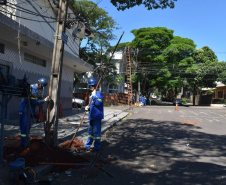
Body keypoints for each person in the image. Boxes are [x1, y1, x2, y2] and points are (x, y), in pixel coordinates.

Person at [18, 78, 49, 147]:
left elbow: (33, 99)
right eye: (42, 87)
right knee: (25, 126)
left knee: (27, 126)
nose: (42, 89)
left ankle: (26, 139)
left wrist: (39, 97)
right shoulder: (34, 90)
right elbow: (34, 102)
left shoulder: (33, 88)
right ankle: (23, 143)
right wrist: (43, 101)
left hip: (26, 110)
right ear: (40, 85)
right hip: (25, 110)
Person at [84, 78, 104, 151]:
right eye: (90, 86)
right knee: (90, 132)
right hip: (92, 116)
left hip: (97, 116)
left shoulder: (99, 94)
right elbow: (92, 105)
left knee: (96, 132)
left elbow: (98, 103)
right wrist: (88, 108)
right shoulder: (91, 94)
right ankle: (88, 145)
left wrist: (94, 96)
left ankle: (96, 146)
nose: (91, 87)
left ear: (95, 85)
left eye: (92, 86)